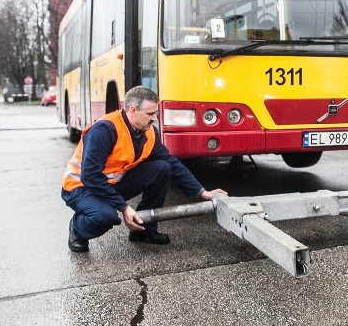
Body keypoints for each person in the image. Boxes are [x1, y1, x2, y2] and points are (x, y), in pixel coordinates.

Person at [61, 85, 226, 252]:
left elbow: (172, 163)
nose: (154, 118)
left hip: (110, 184)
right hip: (81, 188)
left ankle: (144, 230)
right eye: (150, 114)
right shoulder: (105, 129)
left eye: (155, 113)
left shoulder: (149, 132)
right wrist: (124, 207)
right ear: (133, 111)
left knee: (162, 168)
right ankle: (78, 229)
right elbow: (90, 177)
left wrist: (202, 192)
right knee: (105, 217)